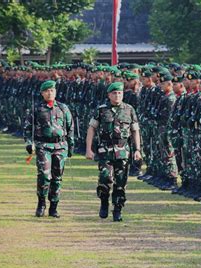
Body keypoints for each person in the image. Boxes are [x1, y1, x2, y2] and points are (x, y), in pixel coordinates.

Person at [85, 82, 142, 221]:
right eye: (114, 93)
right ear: (109, 95)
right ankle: (104, 202)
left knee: (121, 182)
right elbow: (91, 128)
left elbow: (135, 131)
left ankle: (117, 209)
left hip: (123, 151)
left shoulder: (129, 110)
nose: (117, 96)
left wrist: (137, 150)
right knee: (105, 178)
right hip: (105, 150)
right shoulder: (101, 110)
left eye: (120, 93)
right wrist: (89, 149)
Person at [24, 80, 74, 218]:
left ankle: (54, 206)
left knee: (57, 178)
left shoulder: (63, 108)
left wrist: (71, 145)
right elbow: (28, 128)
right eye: (47, 91)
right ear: (42, 93)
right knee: (44, 176)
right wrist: (29, 143)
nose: (50, 93)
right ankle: (41, 203)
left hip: (60, 147)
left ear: (55, 92)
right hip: (43, 146)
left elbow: (70, 128)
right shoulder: (36, 109)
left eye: (52, 90)